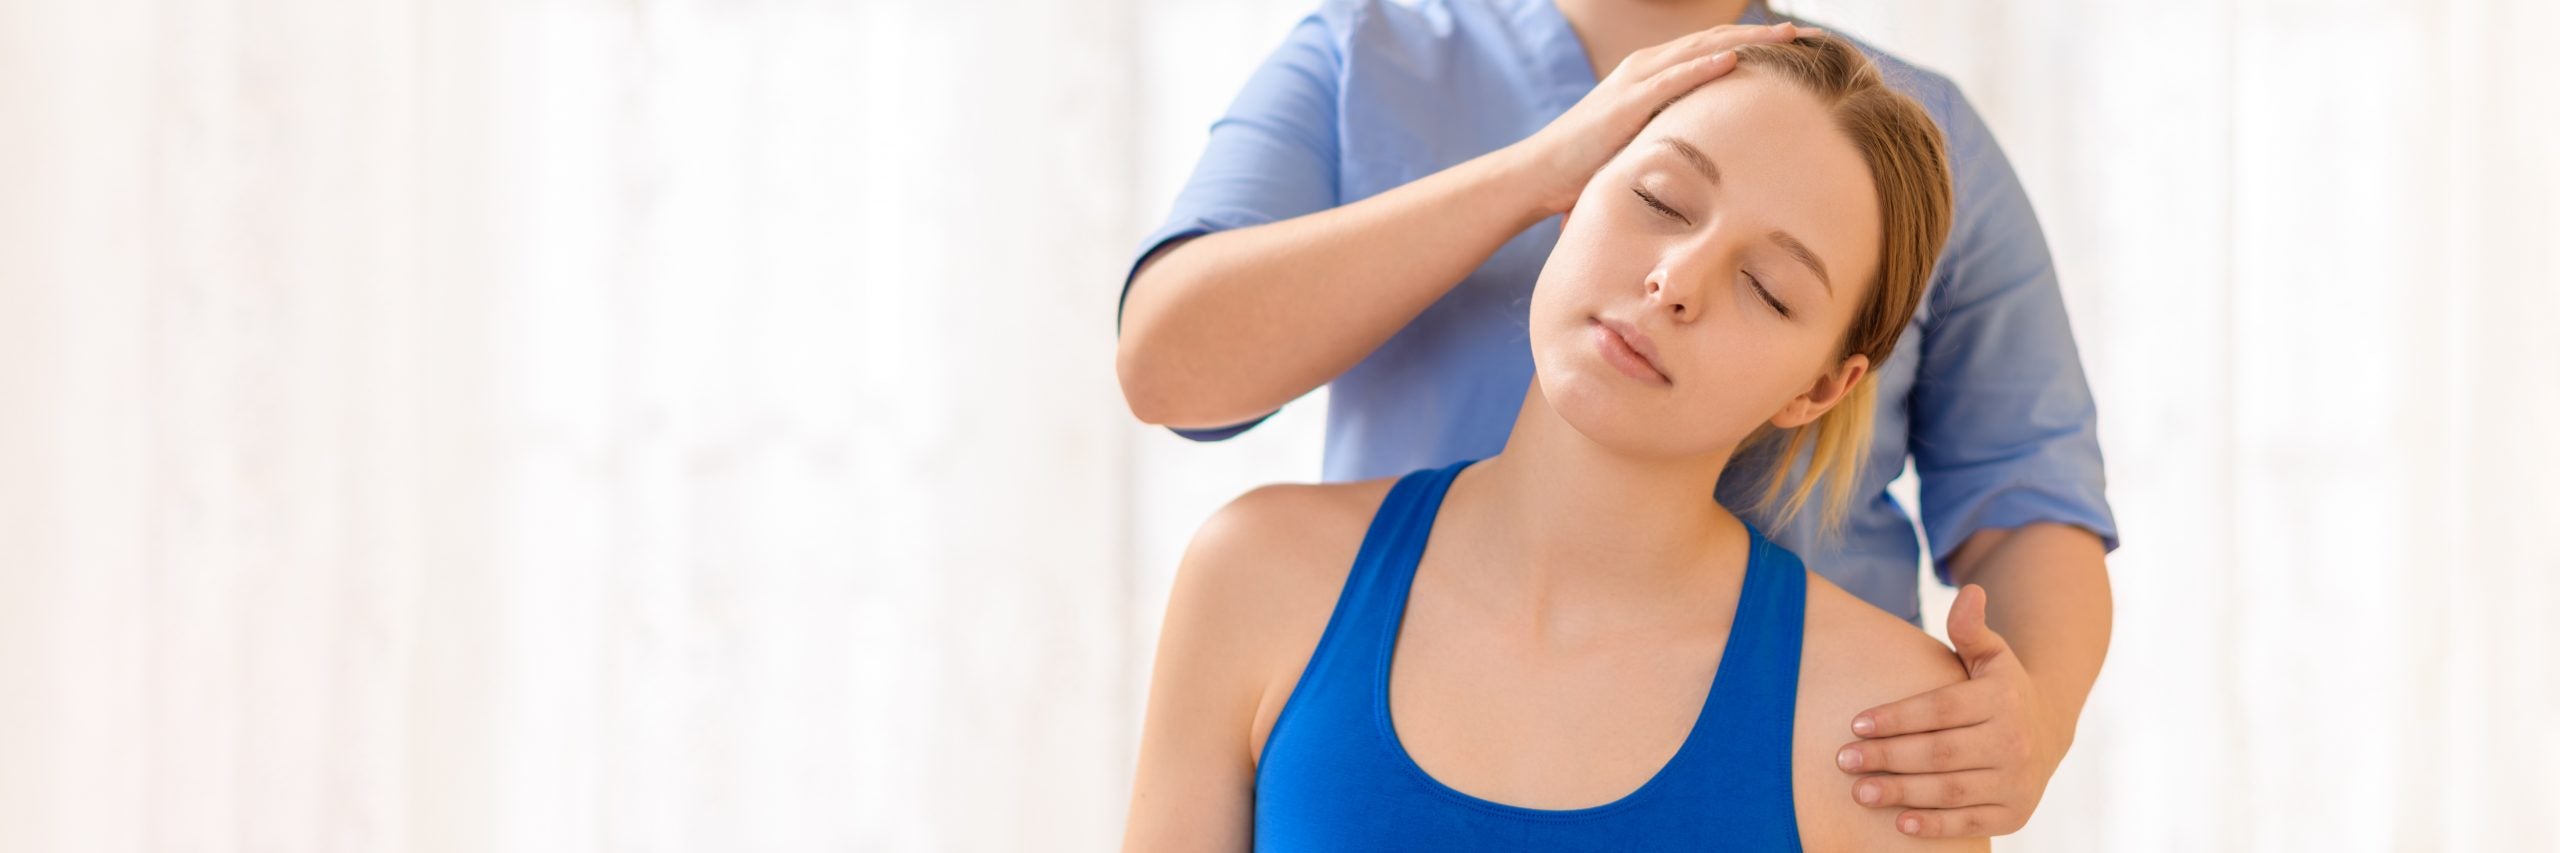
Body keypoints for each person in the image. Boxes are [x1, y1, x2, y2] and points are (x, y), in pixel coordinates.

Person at [1115, 0, 2114, 838]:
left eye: (1767, 289)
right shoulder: (1368, 52)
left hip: (1781, 752)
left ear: (1821, 386)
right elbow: (1170, 360)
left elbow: (2027, 482)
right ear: (1575, 201)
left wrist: (2023, 720)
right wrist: (1535, 168)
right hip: (1359, 687)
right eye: (1654, 198)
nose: (1673, 283)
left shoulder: (1868, 723)